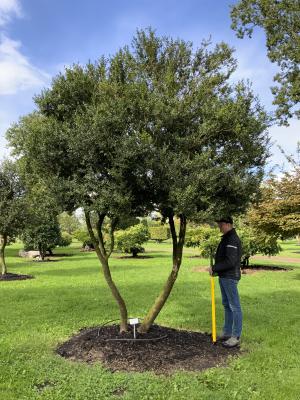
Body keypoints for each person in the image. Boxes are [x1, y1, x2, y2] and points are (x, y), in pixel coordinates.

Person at [209, 216, 242, 348]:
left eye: (221, 224)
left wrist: (214, 268)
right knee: (227, 305)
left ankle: (236, 336)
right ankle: (227, 332)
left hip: (230, 276)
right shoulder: (227, 237)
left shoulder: (232, 239)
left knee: (235, 306)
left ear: (228, 224)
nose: (219, 227)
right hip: (224, 276)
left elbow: (231, 261)